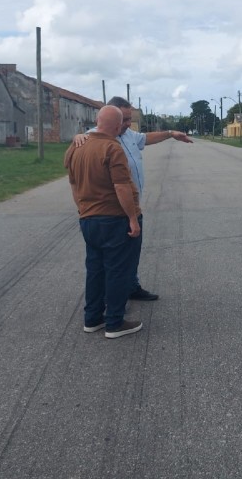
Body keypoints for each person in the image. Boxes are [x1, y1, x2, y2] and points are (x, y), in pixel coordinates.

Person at [73, 96, 193, 301]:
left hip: (129, 205)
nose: (128, 124)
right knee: (113, 261)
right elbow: (79, 176)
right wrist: (77, 137)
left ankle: (129, 287)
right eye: (125, 120)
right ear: (113, 118)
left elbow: (146, 138)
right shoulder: (92, 139)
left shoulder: (128, 135)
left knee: (128, 256)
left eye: (129, 119)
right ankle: (114, 308)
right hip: (113, 210)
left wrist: (171, 133)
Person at [64, 105, 143, 339]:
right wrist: (132, 218)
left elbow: (73, 184)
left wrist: (82, 207)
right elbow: (121, 187)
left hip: (88, 219)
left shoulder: (76, 147)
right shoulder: (112, 147)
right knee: (118, 270)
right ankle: (114, 322)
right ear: (117, 126)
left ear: (97, 121)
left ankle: (93, 318)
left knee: (95, 270)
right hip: (115, 220)